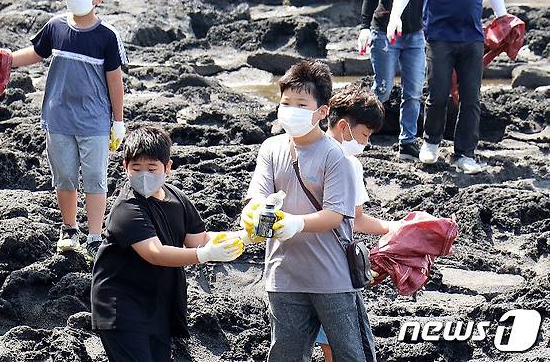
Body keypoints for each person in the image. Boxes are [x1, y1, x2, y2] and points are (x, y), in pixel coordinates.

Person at [241, 60, 377, 361]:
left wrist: (294, 223)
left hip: (332, 277)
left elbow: (334, 215)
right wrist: (252, 215)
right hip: (283, 275)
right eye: (286, 102)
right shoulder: (271, 148)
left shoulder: (335, 157)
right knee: (285, 354)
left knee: (351, 354)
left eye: (301, 103)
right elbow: (257, 198)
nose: (291, 109)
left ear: (322, 111)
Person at [90, 126, 244, 362]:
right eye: (136, 168)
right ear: (125, 167)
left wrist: (246, 236)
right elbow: (154, 252)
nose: (143, 175)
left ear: (167, 167)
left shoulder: (177, 198)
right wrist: (202, 255)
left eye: (151, 168)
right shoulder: (127, 207)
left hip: (157, 306)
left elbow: (199, 239)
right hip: (121, 307)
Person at [10, 0, 128, 259]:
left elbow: (115, 81)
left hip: (94, 121)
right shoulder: (55, 26)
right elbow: (35, 54)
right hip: (58, 118)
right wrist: (1, 60)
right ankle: (69, 228)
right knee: (64, 177)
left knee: (95, 178)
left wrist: (118, 122)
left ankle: (95, 236)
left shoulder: (107, 36)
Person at [387, 0, 508, 174]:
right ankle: (431, 142)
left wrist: (504, 19)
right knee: (438, 92)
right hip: (439, 36)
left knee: (471, 98)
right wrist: (395, 15)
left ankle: (465, 154)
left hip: (473, 37)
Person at [316, 85, 404, 361]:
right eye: (365, 135)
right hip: (331, 266)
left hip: (295, 266)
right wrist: (395, 227)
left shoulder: (304, 149)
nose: (365, 143)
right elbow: (357, 220)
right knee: (343, 343)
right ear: (344, 127)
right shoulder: (348, 162)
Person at [359, 0, 425, 161]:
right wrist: (364, 28)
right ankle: (362, 135)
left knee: (414, 91)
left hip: (415, 35)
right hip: (384, 34)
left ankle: (407, 142)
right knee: (382, 90)